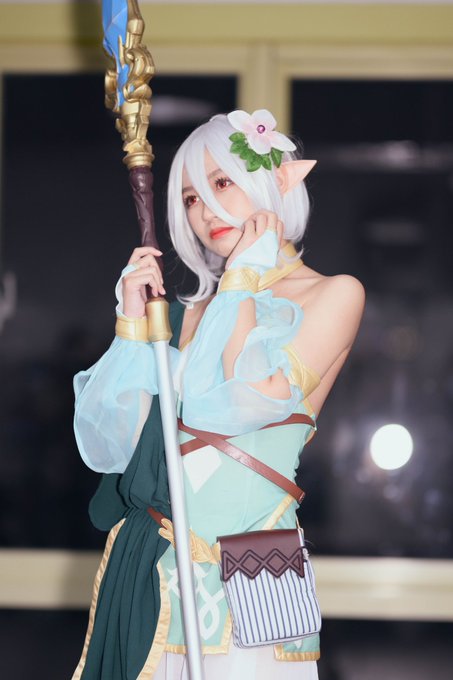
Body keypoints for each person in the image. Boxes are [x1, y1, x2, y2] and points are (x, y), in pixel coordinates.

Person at [72, 109, 365, 680]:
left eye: (222, 184)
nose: (206, 212)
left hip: (264, 548)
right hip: (163, 551)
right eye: (190, 199)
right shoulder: (190, 312)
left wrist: (241, 284)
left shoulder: (335, 293)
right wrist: (131, 330)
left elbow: (248, 400)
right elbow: (121, 446)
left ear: (273, 184)